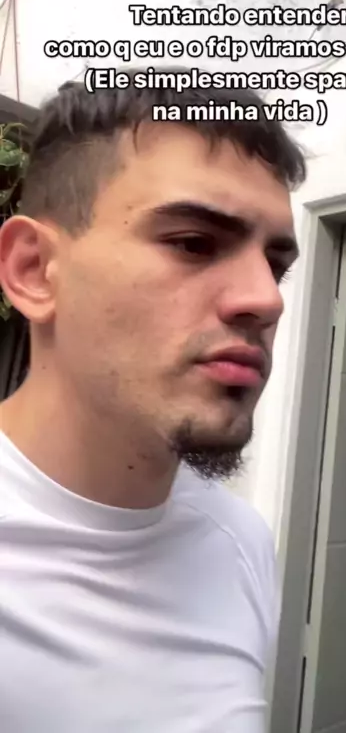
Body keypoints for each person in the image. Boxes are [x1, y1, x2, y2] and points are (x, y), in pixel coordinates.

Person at [0, 68, 306, 733]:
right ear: (33, 271)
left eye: (276, 265)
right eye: (194, 243)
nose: (266, 300)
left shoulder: (241, 546)